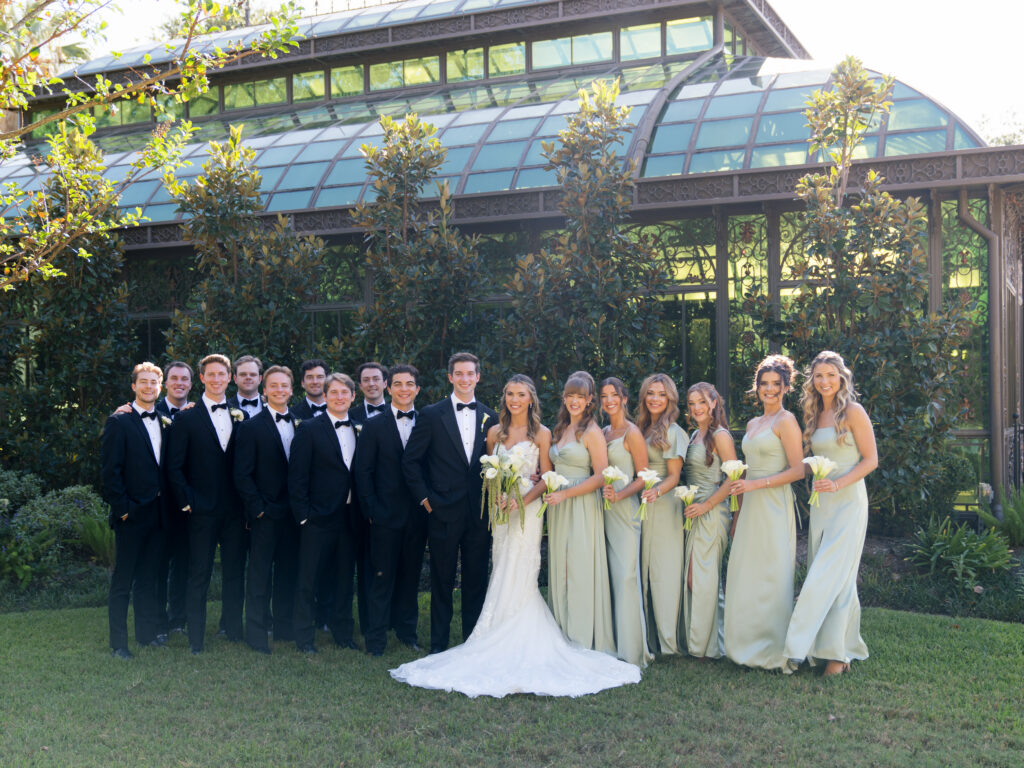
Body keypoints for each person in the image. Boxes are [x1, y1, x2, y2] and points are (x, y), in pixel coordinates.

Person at [391, 375, 641, 697]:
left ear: (531, 399)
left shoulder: (543, 434)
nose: (514, 399)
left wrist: (520, 500)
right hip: (501, 515)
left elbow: (547, 477)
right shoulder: (494, 432)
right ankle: (493, 630)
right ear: (504, 397)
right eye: (509, 393)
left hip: (528, 513)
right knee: (501, 566)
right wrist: (498, 497)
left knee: (521, 571)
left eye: (521, 394)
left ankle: (520, 632)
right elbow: (487, 473)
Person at [783, 351, 877, 676]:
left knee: (834, 574)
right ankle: (831, 650)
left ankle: (830, 654)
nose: (825, 382)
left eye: (831, 376)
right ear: (812, 380)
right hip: (821, 505)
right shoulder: (813, 414)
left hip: (849, 501)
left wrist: (837, 485)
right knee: (824, 573)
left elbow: (870, 460)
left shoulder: (853, 411)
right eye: (819, 376)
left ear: (842, 378)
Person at [402, 352, 497, 654]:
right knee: (441, 582)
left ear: (478, 377)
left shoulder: (491, 416)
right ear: (450, 377)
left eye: (470, 373)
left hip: (479, 513)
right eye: (459, 373)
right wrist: (426, 500)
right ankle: (439, 647)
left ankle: (473, 644)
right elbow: (411, 462)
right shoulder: (431, 414)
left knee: (476, 580)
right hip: (441, 510)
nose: (465, 379)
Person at [723, 355, 805, 670]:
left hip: (772, 503)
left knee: (771, 573)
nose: (769, 390)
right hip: (750, 505)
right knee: (746, 572)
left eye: (775, 384)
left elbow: (799, 470)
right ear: (757, 388)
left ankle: (772, 647)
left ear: (786, 387)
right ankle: (743, 644)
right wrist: (738, 510)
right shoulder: (754, 424)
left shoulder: (787, 421)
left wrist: (758, 486)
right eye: (764, 384)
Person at [166, 353, 249, 654]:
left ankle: (233, 630)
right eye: (210, 374)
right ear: (201, 378)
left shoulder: (242, 416)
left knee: (234, 572)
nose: (216, 379)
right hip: (200, 511)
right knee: (198, 573)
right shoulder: (186, 418)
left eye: (221, 374)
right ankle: (196, 639)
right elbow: (174, 467)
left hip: (235, 511)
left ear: (231, 378)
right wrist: (187, 502)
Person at [354, 364, 428, 656]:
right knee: (381, 578)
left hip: (418, 515)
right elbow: (363, 471)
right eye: (398, 384)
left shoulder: (426, 421)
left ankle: (407, 632)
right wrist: (372, 510)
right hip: (384, 516)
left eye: (409, 384)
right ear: (389, 388)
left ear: (417, 389)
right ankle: (376, 639)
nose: (403, 389)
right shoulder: (374, 425)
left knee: (410, 578)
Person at [289, 373, 361, 653]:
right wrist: (304, 516)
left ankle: (343, 634)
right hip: (317, 518)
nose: (340, 397)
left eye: (345, 393)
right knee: (308, 581)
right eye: (334, 393)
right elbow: (297, 477)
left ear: (353, 397)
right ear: (326, 396)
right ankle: (304, 638)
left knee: (344, 580)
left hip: (349, 517)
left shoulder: (357, 427)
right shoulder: (309, 428)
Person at [544, 371, 615, 653]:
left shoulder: (592, 432)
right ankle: (561, 631)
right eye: (570, 396)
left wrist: (565, 493)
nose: (575, 401)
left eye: (580, 397)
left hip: (581, 504)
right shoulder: (560, 429)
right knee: (561, 566)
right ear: (564, 398)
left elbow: (601, 476)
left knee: (579, 567)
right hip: (558, 507)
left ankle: (582, 636)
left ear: (590, 401)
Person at [101, 362, 168, 658]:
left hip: (158, 514)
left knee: (149, 578)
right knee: (123, 582)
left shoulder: (166, 419)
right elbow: (109, 472)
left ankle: (146, 634)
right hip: (131, 515)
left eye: (154, 382)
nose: (149, 386)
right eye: (143, 382)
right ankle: (119, 643)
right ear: (133, 386)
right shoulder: (119, 421)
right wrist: (123, 509)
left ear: (160, 387)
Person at [233, 365, 299, 654]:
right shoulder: (250, 426)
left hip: (293, 514)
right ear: (264, 389)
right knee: (259, 577)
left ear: (291, 390)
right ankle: (256, 635)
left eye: (285, 386)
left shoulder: (301, 423)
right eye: (274, 386)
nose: (280, 390)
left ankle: (284, 629)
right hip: (264, 514)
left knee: (287, 574)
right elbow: (242, 474)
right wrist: (257, 509)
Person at [598, 377, 652, 668]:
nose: (609, 400)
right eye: (604, 396)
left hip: (623, 509)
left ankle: (633, 650)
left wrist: (620, 495)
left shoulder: (631, 433)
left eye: (614, 395)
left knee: (626, 576)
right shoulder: (603, 432)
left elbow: (643, 477)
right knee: (607, 576)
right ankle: (611, 642)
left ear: (625, 398)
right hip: (601, 509)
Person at [680, 382, 735, 660]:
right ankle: (702, 642)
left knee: (701, 578)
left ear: (714, 402)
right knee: (695, 578)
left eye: (702, 402)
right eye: (691, 403)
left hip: (712, 511)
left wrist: (707, 506)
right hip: (693, 510)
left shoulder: (720, 435)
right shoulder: (693, 434)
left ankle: (712, 644)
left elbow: (735, 478)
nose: (696, 408)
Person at [635, 373, 687, 656]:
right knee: (643, 566)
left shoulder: (673, 431)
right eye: (651, 393)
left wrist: (656, 491)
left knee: (662, 569)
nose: (655, 399)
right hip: (640, 503)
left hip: (663, 505)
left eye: (662, 394)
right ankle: (647, 633)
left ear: (670, 400)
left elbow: (675, 476)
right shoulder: (640, 429)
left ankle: (667, 640)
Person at [155, 360, 193, 638]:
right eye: (174, 378)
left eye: (185, 379)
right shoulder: (148, 412)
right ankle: (156, 619)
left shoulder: (198, 414)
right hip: (157, 503)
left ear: (192, 384)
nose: (180, 383)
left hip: (189, 502)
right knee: (157, 564)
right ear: (165, 383)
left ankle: (178, 617)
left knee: (184, 563)